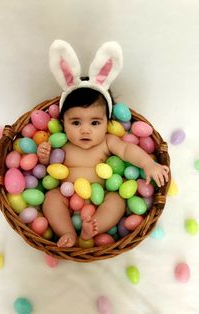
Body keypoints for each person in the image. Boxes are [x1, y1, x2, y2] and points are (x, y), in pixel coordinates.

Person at [36, 40, 169, 247]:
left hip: (101, 198)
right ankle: (68, 233)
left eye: (95, 122)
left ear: (108, 122)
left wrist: (147, 163)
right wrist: (43, 156)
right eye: (76, 122)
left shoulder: (107, 141)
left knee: (116, 201)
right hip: (66, 195)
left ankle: (92, 228)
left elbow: (127, 150)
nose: (85, 130)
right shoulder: (61, 144)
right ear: (63, 123)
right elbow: (46, 172)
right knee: (51, 199)